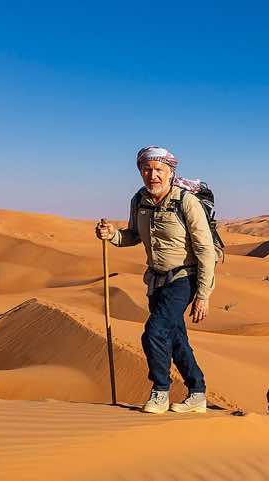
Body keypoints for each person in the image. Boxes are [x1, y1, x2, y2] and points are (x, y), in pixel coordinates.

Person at [95, 146, 215, 414]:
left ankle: (160, 391)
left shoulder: (186, 202)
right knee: (175, 338)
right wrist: (112, 235)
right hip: (156, 281)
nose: (153, 175)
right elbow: (133, 236)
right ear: (140, 171)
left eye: (159, 169)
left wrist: (203, 295)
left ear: (170, 172)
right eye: (147, 169)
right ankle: (197, 392)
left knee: (154, 332)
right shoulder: (139, 200)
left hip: (184, 278)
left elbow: (206, 250)